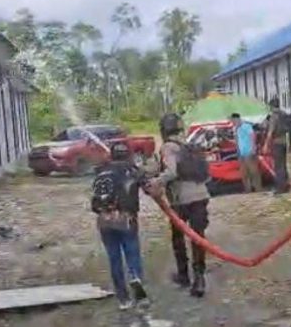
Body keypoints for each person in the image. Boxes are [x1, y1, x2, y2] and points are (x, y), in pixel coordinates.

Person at [147, 113, 212, 298]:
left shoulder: (168, 147)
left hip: (181, 199)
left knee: (178, 238)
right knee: (198, 238)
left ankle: (184, 275)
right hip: (201, 196)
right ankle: (199, 278)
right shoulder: (188, 144)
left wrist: (155, 182)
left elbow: (171, 172)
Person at [90, 142, 148, 310]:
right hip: (125, 218)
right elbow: (149, 187)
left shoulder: (101, 171)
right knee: (132, 253)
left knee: (114, 258)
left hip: (104, 220)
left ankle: (123, 298)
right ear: (128, 155)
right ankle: (135, 279)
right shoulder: (131, 170)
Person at [262, 97, 291, 195]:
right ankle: (286, 186)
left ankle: (280, 188)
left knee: (278, 166)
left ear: (271, 106)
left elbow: (270, 132)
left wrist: (266, 145)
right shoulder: (283, 114)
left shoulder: (273, 117)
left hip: (277, 142)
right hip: (284, 141)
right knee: (283, 165)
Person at [232, 113, 262, 192]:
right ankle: (247, 189)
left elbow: (252, 135)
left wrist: (253, 147)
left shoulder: (246, 126)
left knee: (253, 170)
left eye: (234, 121)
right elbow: (237, 140)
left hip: (249, 151)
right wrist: (238, 150)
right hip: (242, 152)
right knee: (244, 172)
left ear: (237, 119)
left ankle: (258, 188)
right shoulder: (236, 129)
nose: (233, 123)